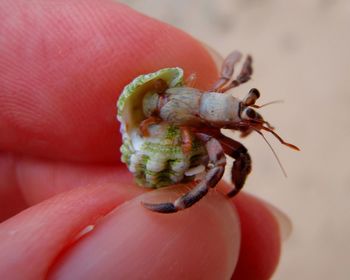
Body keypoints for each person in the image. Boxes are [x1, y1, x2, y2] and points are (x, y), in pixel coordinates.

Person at [0, 1, 287, 279]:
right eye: (245, 106)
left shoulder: (219, 97)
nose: (243, 108)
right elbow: (198, 130)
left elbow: (232, 74)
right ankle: (179, 204)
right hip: (162, 120)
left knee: (236, 148)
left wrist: (241, 109)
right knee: (225, 161)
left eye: (245, 106)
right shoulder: (202, 125)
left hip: (180, 118)